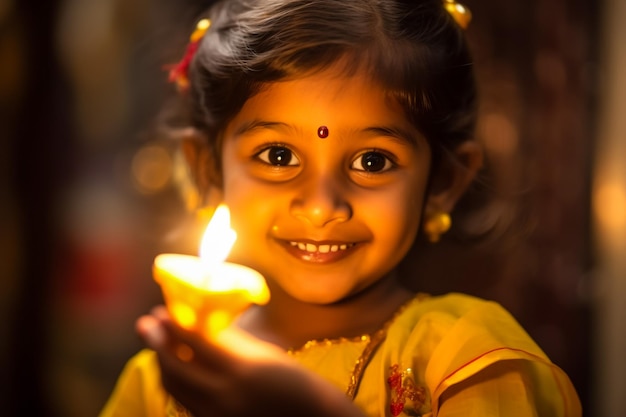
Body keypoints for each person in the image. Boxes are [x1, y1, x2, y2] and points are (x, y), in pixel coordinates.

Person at [100, 0, 582, 416]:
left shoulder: (467, 359)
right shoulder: (164, 379)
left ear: (442, 183)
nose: (321, 207)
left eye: (372, 162)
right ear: (208, 171)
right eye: (278, 156)